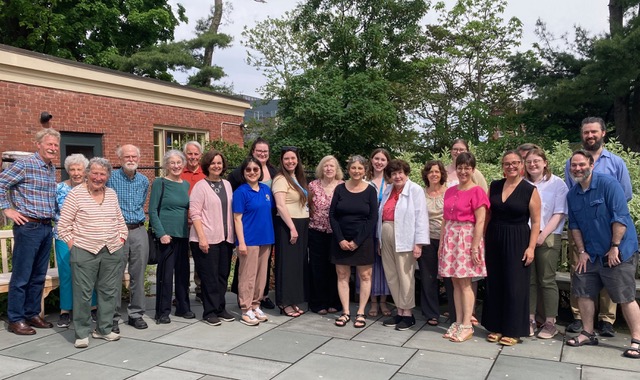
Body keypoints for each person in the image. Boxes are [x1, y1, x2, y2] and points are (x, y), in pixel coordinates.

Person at [565, 150, 640, 359]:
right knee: (583, 291)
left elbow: (620, 216)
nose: (577, 168)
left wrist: (615, 246)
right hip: (590, 254)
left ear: (591, 164)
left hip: (617, 251)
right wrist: (581, 252)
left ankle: (637, 340)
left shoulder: (609, 184)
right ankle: (588, 333)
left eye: (581, 164)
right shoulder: (573, 194)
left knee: (625, 296)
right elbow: (575, 225)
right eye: (574, 165)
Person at [563, 117, 633, 337]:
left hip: (613, 237)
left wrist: (615, 243)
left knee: (617, 285)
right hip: (585, 237)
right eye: (586, 132)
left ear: (603, 133)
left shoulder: (615, 166)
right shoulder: (572, 168)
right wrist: (582, 248)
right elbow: (573, 200)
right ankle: (583, 325)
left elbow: (623, 202)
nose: (590, 136)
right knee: (582, 281)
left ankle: (610, 323)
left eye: (594, 132)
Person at [57, 157, 128, 348]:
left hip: (112, 250)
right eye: (94, 173)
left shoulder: (111, 194)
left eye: (102, 174)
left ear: (107, 176)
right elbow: (63, 226)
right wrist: (75, 246)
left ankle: (104, 329)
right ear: (88, 174)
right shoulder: (75, 194)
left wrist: (121, 238)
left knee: (108, 292)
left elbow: (120, 221)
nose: (98, 177)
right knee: (83, 294)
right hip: (84, 250)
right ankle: (81, 333)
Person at [0, 128, 59, 335]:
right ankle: (15, 319)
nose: (53, 148)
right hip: (28, 227)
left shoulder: (51, 168)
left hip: (45, 227)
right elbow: (1, 183)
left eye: (55, 145)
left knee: (38, 276)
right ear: (39, 144)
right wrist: (7, 209)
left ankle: (32, 314)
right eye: (49, 144)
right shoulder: (24, 165)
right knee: (22, 276)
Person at [482, 151, 541, 346]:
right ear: (503, 166)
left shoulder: (529, 189)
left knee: (515, 285)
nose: (511, 166)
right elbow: (488, 214)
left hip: (518, 238)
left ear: (521, 165)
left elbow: (536, 221)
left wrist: (531, 247)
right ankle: (496, 326)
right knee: (496, 282)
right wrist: (481, 239)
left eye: (515, 163)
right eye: (507, 164)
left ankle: (514, 329)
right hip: (494, 237)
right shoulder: (495, 186)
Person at [438, 153, 489, 342]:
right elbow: (445, 219)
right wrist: (442, 243)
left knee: (466, 282)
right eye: (460, 167)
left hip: (466, 238)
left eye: (467, 168)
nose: (463, 171)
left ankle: (467, 323)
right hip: (451, 237)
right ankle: (458, 321)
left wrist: (475, 247)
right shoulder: (450, 191)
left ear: (473, 170)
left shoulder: (477, 192)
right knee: (455, 282)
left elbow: (480, 220)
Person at [379, 159, 429, 331]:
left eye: (400, 172)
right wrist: (379, 239)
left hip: (405, 237)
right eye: (394, 173)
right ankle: (399, 311)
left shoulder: (415, 190)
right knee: (392, 275)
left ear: (406, 173)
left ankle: (408, 314)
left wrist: (419, 244)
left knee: (405, 276)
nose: (397, 176)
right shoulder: (387, 190)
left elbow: (421, 217)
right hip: (386, 234)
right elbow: (381, 215)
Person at [228, 137, 278, 310]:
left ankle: (257, 303)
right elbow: (236, 215)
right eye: (259, 151)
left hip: (266, 233)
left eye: (265, 151)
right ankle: (245, 305)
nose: (252, 172)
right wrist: (240, 240)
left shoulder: (270, 181)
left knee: (262, 273)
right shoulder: (240, 186)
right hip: (249, 234)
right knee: (247, 273)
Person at [524, 148, 568, 339]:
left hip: (548, 236)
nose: (532, 164)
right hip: (525, 236)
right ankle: (530, 319)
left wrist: (542, 236)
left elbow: (559, 213)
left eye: (536, 161)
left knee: (547, 280)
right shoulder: (522, 183)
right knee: (529, 280)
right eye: (529, 162)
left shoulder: (557, 183)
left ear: (544, 162)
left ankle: (550, 322)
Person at [330, 155, 378, 328]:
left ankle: (360, 312)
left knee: (365, 276)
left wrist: (357, 241)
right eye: (353, 168)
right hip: (340, 239)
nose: (356, 171)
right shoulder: (340, 189)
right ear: (348, 169)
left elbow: (373, 218)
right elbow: (333, 215)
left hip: (363, 240)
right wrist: (341, 239)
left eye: (360, 168)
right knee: (342, 275)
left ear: (365, 170)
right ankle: (345, 312)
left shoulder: (371, 190)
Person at [189, 150, 235, 326]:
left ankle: (220, 308)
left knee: (223, 275)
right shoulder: (200, 186)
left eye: (219, 163)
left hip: (225, 238)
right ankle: (209, 311)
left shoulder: (227, 184)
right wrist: (202, 237)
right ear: (207, 166)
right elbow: (195, 213)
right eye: (213, 163)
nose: (217, 166)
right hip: (206, 238)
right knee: (209, 277)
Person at [107, 144, 149, 332]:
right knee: (114, 274)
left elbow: (141, 203)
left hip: (139, 229)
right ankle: (113, 316)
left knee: (138, 274)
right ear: (120, 159)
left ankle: (136, 314)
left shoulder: (144, 181)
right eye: (127, 157)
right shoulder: (111, 179)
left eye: (134, 156)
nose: (131, 159)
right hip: (117, 230)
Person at [149, 150, 193, 323]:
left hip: (183, 235)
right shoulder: (160, 183)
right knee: (165, 276)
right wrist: (161, 234)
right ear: (166, 165)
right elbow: (152, 210)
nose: (176, 166)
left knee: (183, 274)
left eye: (179, 163)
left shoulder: (186, 185)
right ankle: (162, 312)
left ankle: (183, 307)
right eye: (172, 163)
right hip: (167, 237)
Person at [54, 153, 96, 328]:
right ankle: (65, 311)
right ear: (67, 170)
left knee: (89, 273)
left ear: (85, 170)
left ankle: (92, 308)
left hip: (86, 237)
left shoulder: (91, 188)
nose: (76, 172)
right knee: (66, 273)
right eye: (72, 169)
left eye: (79, 169)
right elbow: (53, 211)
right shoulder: (59, 188)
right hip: (64, 236)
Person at [272, 146, 309, 317]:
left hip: (301, 224)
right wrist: (292, 228)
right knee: (286, 265)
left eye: (293, 158)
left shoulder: (297, 178)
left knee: (296, 266)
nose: (290, 161)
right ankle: (283, 302)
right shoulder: (280, 179)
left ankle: (293, 300)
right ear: (282, 161)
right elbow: (280, 205)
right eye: (286, 158)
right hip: (288, 225)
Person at [307, 155, 343, 315]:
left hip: (336, 234)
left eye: (332, 166)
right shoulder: (313, 185)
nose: (328, 169)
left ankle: (334, 301)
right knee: (318, 268)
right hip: (316, 232)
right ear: (321, 168)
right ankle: (318, 302)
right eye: (326, 166)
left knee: (335, 268)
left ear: (337, 170)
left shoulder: (343, 186)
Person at [419, 160, 448, 326]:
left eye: (437, 171)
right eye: (431, 172)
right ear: (426, 174)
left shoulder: (450, 192)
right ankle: (431, 313)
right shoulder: (421, 193)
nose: (434, 174)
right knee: (428, 277)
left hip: (447, 239)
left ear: (442, 174)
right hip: (427, 239)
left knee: (450, 278)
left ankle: (456, 312)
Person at [365, 148, 392, 317]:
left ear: (387, 162)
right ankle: (373, 302)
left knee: (385, 267)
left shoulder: (392, 183)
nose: (379, 162)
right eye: (376, 158)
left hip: (385, 230)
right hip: (368, 230)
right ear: (371, 160)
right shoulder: (364, 181)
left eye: (383, 159)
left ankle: (384, 301)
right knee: (370, 267)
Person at [181, 141, 206, 303]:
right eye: (190, 153)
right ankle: (182, 292)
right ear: (185, 155)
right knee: (182, 260)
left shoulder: (206, 174)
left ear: (200, 155)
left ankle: (200, 290)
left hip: (201, 225)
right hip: (182, 224)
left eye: (196, 154)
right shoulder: (178, 172)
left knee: (201, 260)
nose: (193, 157)